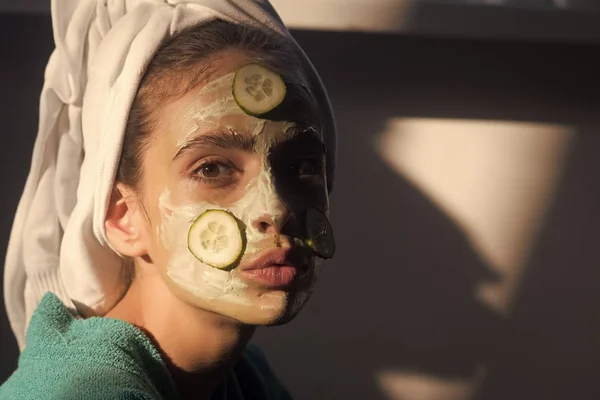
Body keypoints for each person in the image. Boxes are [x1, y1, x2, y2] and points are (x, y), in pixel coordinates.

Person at [0, 1, 336, 399]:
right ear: (123, 218)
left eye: (301, 166)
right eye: (212, 169)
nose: (276, 209)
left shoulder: (247, 378)